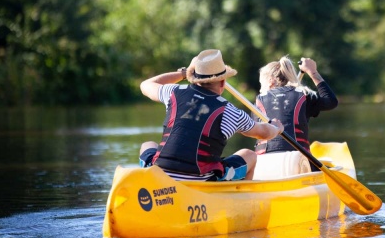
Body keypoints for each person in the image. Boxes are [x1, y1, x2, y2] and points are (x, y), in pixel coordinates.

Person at [139, 49, 284, 181]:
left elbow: (146, 85)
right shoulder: (231, 112)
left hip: (160, 174)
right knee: (249, 155)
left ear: (194, 77)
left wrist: (183, 73)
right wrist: (276, 128)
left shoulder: (173, 92)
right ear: (222, 82)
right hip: (201, 180)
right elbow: (264, 133)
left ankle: (151, 188)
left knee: (148, 145)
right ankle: (240, 203)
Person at [254, 56, 338, 170]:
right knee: (329, 168)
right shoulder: (305, 94)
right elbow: (331, 102)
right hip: (299, 160)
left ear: (270, 81)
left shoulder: (258, 101)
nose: (260, 89)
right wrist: (313, 72)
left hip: (264, 164)